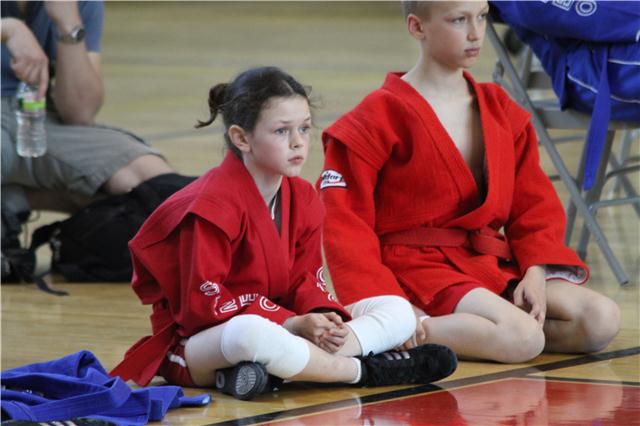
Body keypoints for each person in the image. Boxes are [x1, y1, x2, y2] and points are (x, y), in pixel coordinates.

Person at [110, 67, 457, 400]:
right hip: (201, 342)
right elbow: (202, 308)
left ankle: (280, 370)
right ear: (241, 138)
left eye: (304, 128)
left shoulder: (302, 196)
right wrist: (290, 323)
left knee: (397, 309)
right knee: (250, 335)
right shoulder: (210, 207)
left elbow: (306, 279)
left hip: (284, 329)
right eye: (281, 131)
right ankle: (362, 370)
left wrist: (323, 320)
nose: (298, 143)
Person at [319, 1, 620, 364]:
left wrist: (535, 270)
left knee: (600, 320)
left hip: (486, 262)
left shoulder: (499, 107)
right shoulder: (376, 115)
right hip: (417, 268)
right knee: (522, 338)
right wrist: (385, 304)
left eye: (481, 17)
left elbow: (533, 205)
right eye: (459, 20)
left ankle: (473, 327)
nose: (476, 33)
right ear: (417, 27)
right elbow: (345, 223)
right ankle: (400, 330)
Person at [1, 0, 180, 279]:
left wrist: (68, 25)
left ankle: (14, 201)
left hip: (42, 118)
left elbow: (80, 112)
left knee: (159, 193)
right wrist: (9, 29)